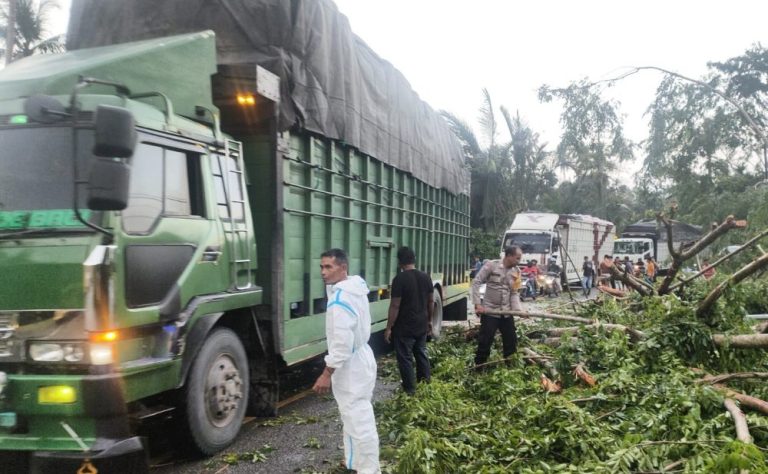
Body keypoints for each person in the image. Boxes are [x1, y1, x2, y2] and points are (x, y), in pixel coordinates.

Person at [313, 248, 380, 473]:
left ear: (343, 268)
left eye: (328, 267)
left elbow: (341, 343)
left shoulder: (339, 299)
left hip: (352, 366)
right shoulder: (355, 289)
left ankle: (369, 469)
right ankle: (355, 463)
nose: (323, 272)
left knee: (359, 422)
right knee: (352, 416)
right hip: (361, 357)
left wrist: (326, 374)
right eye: (321, 267)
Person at [385, 247, 433, 395]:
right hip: (421, 324)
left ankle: (410, 390)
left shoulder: (399, 279)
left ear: (400, 262)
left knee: (405, 358)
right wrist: (429, 321)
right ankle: (425, 384)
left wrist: (388, 327)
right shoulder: (426, 277)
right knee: (421, 353)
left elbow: (395, 305)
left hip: (405, 327)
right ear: (414, 259)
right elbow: (431, 302)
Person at [471, 246, 524, 367]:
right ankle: (479, 368)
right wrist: (478, 304)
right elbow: (476, 282)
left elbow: (514, 292)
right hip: (490, 312)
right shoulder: (491, 265)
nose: (518, 261)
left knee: (511, 341)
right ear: (509, 256)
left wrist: (518, 311)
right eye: (517, 258)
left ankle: (511, 368)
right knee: (485, 341)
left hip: (506, 313)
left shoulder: (517, 271)